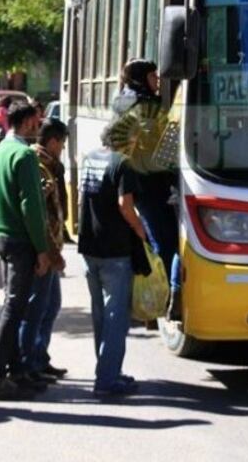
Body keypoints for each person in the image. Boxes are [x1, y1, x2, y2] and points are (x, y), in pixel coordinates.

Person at [0, 102, 52, 400]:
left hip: (2, 235)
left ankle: (17, 371)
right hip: (21, 241)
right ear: (25, 123)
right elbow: (32, 207)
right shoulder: (23, 155)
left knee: (14, 305)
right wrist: (42, 248)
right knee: (14, 308)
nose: (38, 128)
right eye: (36, 122)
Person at [79, 121, 151, 397]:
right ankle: (107, 379)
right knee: (116, 316)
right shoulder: (123, 164)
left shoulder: (89, 159)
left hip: (90, 248)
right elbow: (125, 205)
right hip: (115, 251)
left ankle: (107, 370)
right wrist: (139, 229)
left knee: (101, 315)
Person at [111, 59, 181, 318]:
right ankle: (162, 298)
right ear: (142, 78)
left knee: (150, 237)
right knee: (166, 241)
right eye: (153, 76)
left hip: (132, 180)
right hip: (151, 181)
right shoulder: (146, 104)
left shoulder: (120, 101)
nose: (158, 82)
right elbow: (162, 145)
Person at [17, 119, 70, 381]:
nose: (63, 148)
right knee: (37, 309)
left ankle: (39, 356)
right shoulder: (38, 167)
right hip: (44, 251)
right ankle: (28, 363)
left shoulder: (50, 166)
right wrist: (51, 252)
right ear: (52, 142)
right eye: (62, 143)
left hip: (50, 248)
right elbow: (38, 216)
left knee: (50, 306)